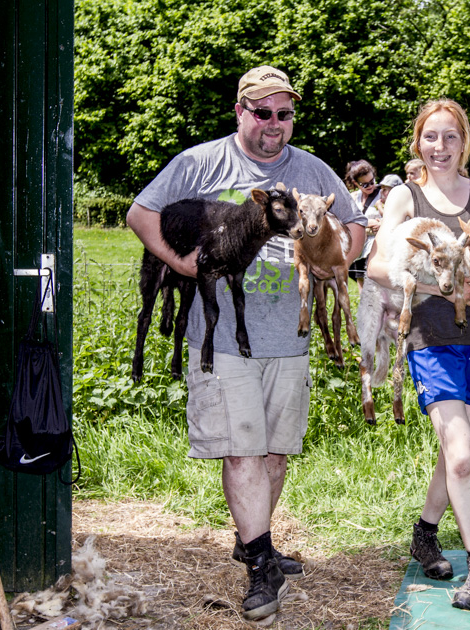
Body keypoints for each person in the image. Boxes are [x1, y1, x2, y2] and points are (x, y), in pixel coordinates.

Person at [126, 65, 366, 622]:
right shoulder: (200, 163)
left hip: (290, 336)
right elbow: (141, 214)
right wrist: (184, 262)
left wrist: (341, 256)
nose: (275, 124)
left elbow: (353, 224)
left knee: (276, 452)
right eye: (263, 113)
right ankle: (261, 565)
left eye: (284, 114)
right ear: (241, 112)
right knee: (241, 451)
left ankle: (250, 538)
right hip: (223, 339)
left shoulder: (311, 169)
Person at [366, 99, 470, 611]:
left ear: (465, 143)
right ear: (417, 142)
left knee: (453, 455)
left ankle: (424, 534)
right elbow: (375, 268)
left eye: (450, 137)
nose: (439, 148)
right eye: (430, 137)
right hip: (430, 339)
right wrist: (437, 289)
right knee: (462, 457)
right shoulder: (404, 196)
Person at [345, 159, 382, 290]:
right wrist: (368, 223)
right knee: (362, 285)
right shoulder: (354, 197)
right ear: (356, 183)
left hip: (378, 245)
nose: (371, 186)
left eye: (372, 181)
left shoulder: (383, 194)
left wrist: (380, 223)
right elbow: (346, 220)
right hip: (359, 245)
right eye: (365, 184)